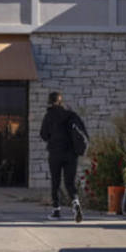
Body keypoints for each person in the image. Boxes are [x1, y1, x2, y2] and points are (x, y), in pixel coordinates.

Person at [38, 90, 86, 222]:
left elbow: (43, 134)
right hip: (71, 154)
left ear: (49, 101)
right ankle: (75, 203)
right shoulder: (70, 115)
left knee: (56, 182)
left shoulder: (49, 116)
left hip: (55, 153)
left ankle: (56, 211)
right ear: (60, 101)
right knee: (69, 182)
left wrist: (53, 138)